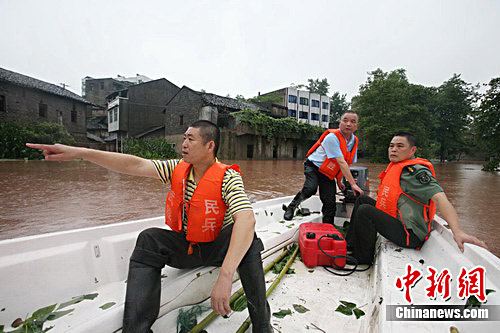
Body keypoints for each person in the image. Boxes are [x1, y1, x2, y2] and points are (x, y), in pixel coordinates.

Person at [27, 120, 272, 333]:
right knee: (149, 238)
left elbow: (247, 218)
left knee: (247, 237)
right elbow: (134, 165)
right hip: (189, 248)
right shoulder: (178, 169)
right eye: (184, 138)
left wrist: (226, 276)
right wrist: (82, 152)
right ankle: (137, 329)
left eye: (191, 139)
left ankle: (262, 326)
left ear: (209, 146)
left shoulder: (228, 177)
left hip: (220, 249)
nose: (183, 144)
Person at [346, 132, 488, 265]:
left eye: (400, 146)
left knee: (365, 211)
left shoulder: (416, 173)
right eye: (391, 146)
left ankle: (362, 258)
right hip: (398, 222)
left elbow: (440, 198)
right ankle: (349, 246)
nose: (393, 149)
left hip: (410, 235)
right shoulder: (397, 167)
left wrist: (457, 231)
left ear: (412, 150)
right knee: (362, 200)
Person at [284, 111, 364, 223]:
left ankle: (328, 228)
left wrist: (339, 181)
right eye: (345, 120)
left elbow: (346, 162)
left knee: (330, 201)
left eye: (352, 121)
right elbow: (341, 162)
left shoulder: (353, 141)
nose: (348, 124)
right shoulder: (332, 138)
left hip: (327, 173)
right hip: (313, 166)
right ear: (339, 123)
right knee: (310, 189)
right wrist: (353, 184)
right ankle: (292, 206)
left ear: (356, 126)